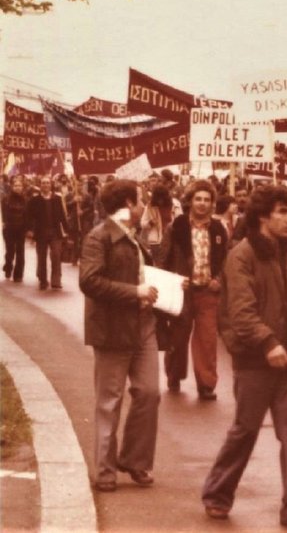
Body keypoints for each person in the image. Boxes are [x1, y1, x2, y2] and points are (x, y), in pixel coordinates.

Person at [201, 186, 287, 528]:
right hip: (255, 361)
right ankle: (217, 493)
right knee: (245, 430)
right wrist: (268, 343)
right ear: (263, 216)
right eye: (283, 211)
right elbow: (240, 312)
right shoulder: (242, 255)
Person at [78, 179, 161, 491]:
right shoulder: (98, 238)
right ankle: (105, 470)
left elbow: (140, 276)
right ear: (128, 203)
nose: (143, 207)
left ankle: (135, 460)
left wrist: (165, 288)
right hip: (112, 329)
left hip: (143, 325)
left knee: (149, 392)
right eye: (140, 201)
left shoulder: (133, 237)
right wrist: (134, 291)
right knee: (109, 401)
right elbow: (90, 282)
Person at [162, 180, 228, 399]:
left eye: (207, 200)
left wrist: (219, 279)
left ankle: (206, 384)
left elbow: (225, 259)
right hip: (182, 291)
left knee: (207, 340)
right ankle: (174, 375)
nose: (202, 204)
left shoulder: (219, 229)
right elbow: (163, 258)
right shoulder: (176, 226)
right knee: (178, 337)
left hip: (208, 292)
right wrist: (172, 281)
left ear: (212, 204)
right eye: (198, 199)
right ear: (190, 201)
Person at [28, 175, 68, 290]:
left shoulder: (57, 199)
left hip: (55, 232)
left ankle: (56, 280)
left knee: (56, 255)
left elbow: (62, 216)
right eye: (43, 183)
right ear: (40, 185)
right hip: (41, 233)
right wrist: (30, 230)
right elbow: (29, 216)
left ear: (51, 185)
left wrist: (66, 230)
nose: (45, 185)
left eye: (47, 183)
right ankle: (43, 279)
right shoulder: (35, 200)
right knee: (42, 257)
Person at [2, 175, 28, 283]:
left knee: (20, 251)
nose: (18, 187)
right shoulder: (6, 199)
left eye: (19, 185)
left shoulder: (26, 199)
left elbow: (28, 214)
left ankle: (18, 274)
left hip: (21, 228)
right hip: (9, 228)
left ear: (22, 187)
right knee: (10, 251)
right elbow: (4, 213)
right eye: (16, 185)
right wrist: (5, 223)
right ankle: (8, 266)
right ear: (12, 187)